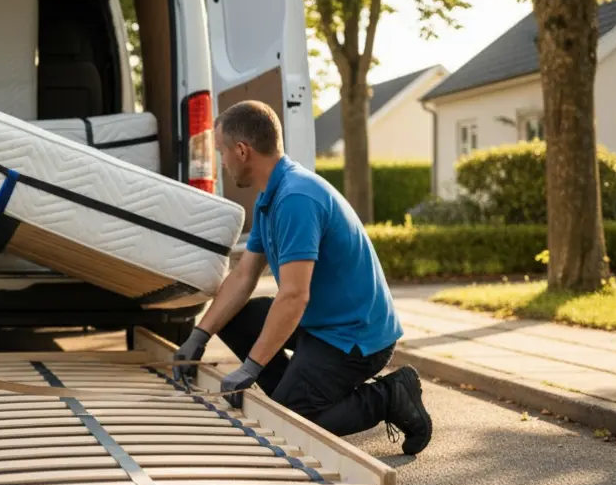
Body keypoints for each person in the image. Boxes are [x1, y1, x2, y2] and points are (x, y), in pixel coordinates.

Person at [173, 101, 433, 455]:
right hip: (320, 325)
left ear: (242, 151)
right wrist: (199, 337)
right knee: (235, 321)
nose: (222, 162)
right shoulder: (271, 196)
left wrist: (251, 367)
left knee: (292, 420)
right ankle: (295, 392)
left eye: (222, 152)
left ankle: (390, 396)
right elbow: (245, 274)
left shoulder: (296, 199)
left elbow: (295, 296)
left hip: (355, 337)